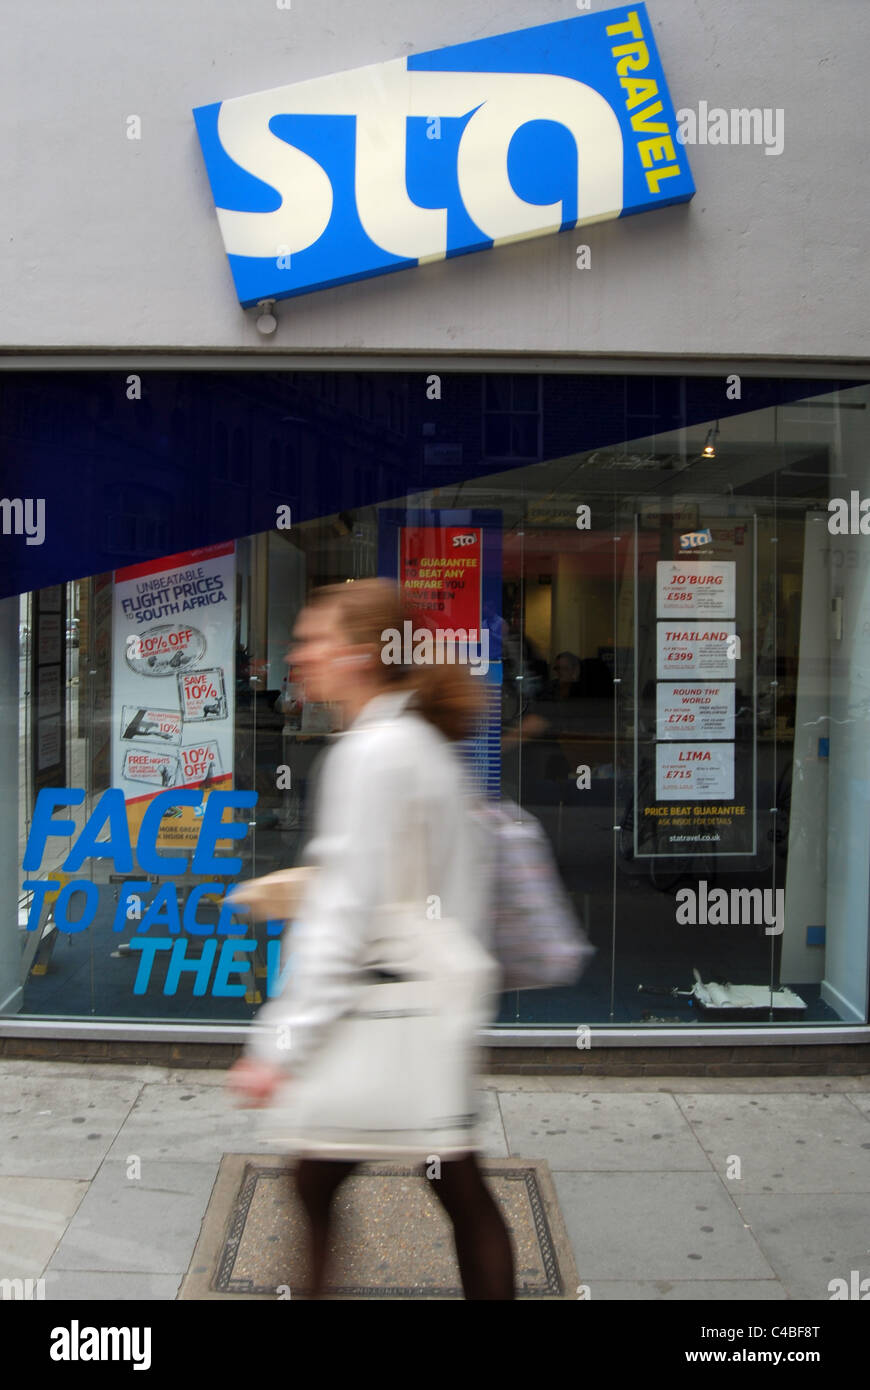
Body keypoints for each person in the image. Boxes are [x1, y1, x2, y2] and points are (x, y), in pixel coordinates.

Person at [227, 579, 515, 1300]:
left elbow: (343, 920)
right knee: (434, 1187)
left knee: (343, 1183)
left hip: (389, 1017)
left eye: (311, 641)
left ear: (359, 655)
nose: (298, 656)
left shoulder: (370, 754)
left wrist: (279, 1045)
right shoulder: (418, 744)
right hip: (426, 1016)